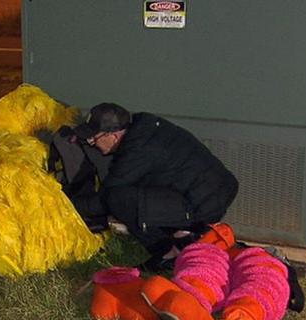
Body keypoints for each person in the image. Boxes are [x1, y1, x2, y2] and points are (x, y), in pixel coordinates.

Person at [73, 103, 239, 268]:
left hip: (204, 204)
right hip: (210, 190)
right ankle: (184, 235)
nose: (92, 143)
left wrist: (66, 206)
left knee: (118, 199)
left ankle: (170, 253)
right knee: (135, 195)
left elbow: (104, 199)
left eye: (93, 138)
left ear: (114, 135)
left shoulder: (138, 150)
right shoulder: (143, 130)